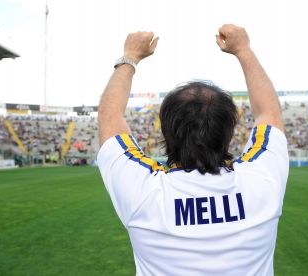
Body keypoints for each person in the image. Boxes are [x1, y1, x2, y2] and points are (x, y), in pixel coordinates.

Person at [97, 24, 289, 275]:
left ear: (166, 131)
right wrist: (244, 50)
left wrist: (130, 57)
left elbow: (108, 117)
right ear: (229, 131)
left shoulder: (144, 194)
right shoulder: (262, 182)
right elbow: (269, 113)